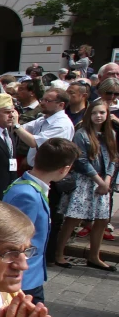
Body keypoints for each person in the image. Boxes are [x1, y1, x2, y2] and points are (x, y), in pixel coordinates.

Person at [4, 138, 78, 304]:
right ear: (65, 169)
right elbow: (16, 240)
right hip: (25, 279)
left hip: (31, 276)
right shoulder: (27, 195)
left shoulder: (30, 186)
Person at [53, 99, 117, 270]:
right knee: (73, 218)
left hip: (103, 181)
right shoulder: (82, 134)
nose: (98, 116)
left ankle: (94, 256)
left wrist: (107, 180)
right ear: (89, 114)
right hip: (85, 180)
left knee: (102, 220)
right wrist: (99, 180)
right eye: (95, 113)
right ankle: (59, 254)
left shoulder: (110, 134)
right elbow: (81, 161)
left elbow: (113, 158)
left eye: (102, 113)